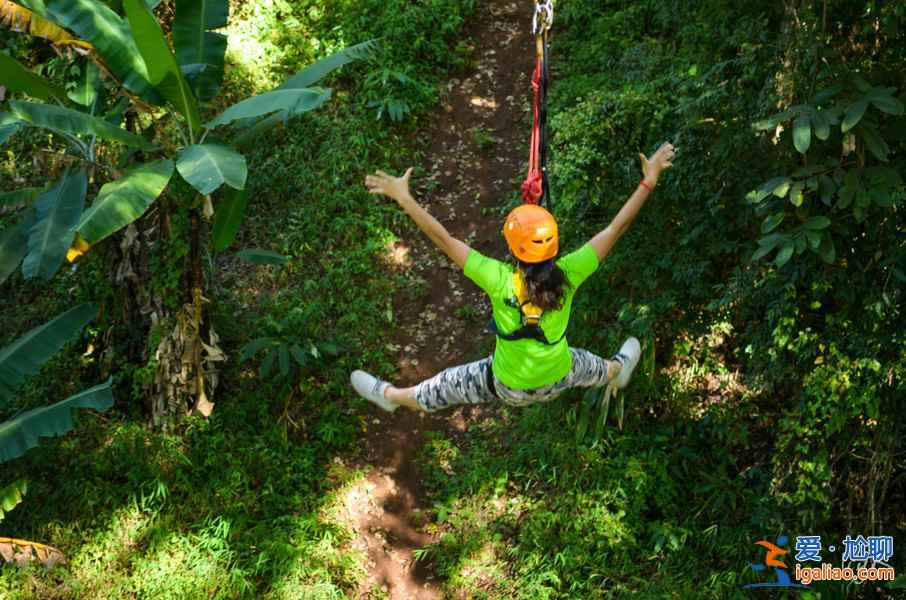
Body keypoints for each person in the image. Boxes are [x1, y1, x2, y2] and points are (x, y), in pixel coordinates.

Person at [351, 142, 676, 413]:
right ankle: (618, 372)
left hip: (508, 386)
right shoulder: (571, 272)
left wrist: (404, 197)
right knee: (598, 367)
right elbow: (615, 228)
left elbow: (444, 239)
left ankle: (390, 397)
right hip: (560, 375)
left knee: (442, 387)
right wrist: (648, 180)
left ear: (512, 247)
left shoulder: (499, 279)